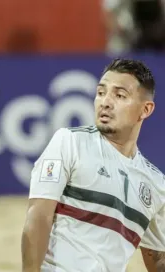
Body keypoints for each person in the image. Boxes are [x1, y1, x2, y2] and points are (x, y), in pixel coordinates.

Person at [21, 58, 165, 272]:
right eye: (101, 92)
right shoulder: (70, 142)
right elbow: (39, 216)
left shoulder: (156, 184)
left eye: (119, 95)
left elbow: (157, 259)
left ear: (145, 110)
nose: (105, 102)